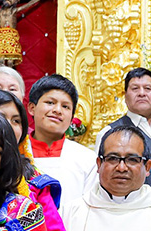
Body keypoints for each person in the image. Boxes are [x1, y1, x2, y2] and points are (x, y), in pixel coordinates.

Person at [96, 68, 151, 191]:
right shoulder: (110, 132)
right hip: (139, 206)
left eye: (147, 88)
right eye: (135, 89)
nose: (142, 93)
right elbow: (102, 178)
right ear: (125, 96)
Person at [25, 74, 98, 210]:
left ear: (71, 118)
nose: (57, 110)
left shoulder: (87, 160)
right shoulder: (15, 154)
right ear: (32, 108)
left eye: (65, 107)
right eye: (50, 103)